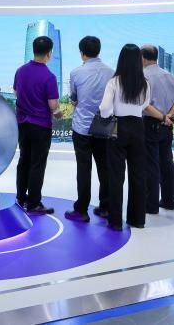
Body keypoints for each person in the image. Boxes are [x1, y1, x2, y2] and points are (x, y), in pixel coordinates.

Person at [99, 44, 150, 231]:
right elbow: (144, 104)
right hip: (138, 126)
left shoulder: (114, 82)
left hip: (117, 127)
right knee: (138, 175)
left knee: (116, 175)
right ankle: (137, 219)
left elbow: (104, 108)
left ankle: (115, 221)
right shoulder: (145, 83)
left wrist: (109, 114)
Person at [64, 36, 114, 223]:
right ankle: (106, 207)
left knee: (83, 169)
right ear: (98, 50)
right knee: (105, 168)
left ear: (81, 53)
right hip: (103, 128)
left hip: (82, 128)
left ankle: (82, 210)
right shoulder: (112, 72)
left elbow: (74, 97)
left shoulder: (76, 73)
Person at [14, 36, 62, 215]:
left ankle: (21, 197)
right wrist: (58, 113)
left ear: (33, 50)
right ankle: (34, 203)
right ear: (49, 53)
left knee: (24, 160)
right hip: (41, 125)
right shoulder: (49, 77)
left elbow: (16, 92)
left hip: (22, 123)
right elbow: (53, 105)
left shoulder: (20, 71)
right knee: (37, 164)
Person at [141, 44, 174, 212]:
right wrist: (168, 116)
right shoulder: (170, 76)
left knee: (150, 164)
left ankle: (150, 205)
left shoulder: (143, 76)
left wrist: (162, 117)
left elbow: (144, 105)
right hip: (167, 126)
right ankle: (168, 201)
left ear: (143, 58)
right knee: (167, 163)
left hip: (150, 123)